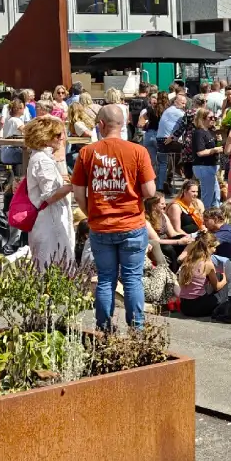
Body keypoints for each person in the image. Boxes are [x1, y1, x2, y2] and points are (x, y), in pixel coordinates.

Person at [70, 104, 156, 331]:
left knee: (106, 279)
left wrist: (91, 213)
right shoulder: (138, 151)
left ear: (100, 125)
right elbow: (150, 191)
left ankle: (104, 328)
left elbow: (78, 194)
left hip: (101, 225)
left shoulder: (87, 153)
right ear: (124, 123)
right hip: (132, 224)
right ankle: (137, 330)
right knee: (132, 279)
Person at [22, 115, 76, 271]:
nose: (61, 138)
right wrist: (72, 186)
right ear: (45, 137)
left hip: (48, 221)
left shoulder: (41, 157)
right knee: (53, 267)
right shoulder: (42, 160)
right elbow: (50, 195)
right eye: (58, 135)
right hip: (49, 224)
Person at [178, 231, 226, 317]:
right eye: (214, 247)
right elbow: (217, 287)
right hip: (198, 307)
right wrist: (226, 277)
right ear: (208, 246)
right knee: (224, 289)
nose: (215, 250)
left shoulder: (187, 260)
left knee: (217, 276)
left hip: (184, 307)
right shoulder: (207, 264)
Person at [155, 92, 187, 194]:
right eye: (182, 103)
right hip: (169, 140)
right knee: (188, 152)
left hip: (160, 139)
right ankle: (177, 171)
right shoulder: (178, 112)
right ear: (175, 102)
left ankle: (161, 186)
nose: (184, 105)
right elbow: (187, 123)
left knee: (163, 164)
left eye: (185, 103)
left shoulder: (168, 110)